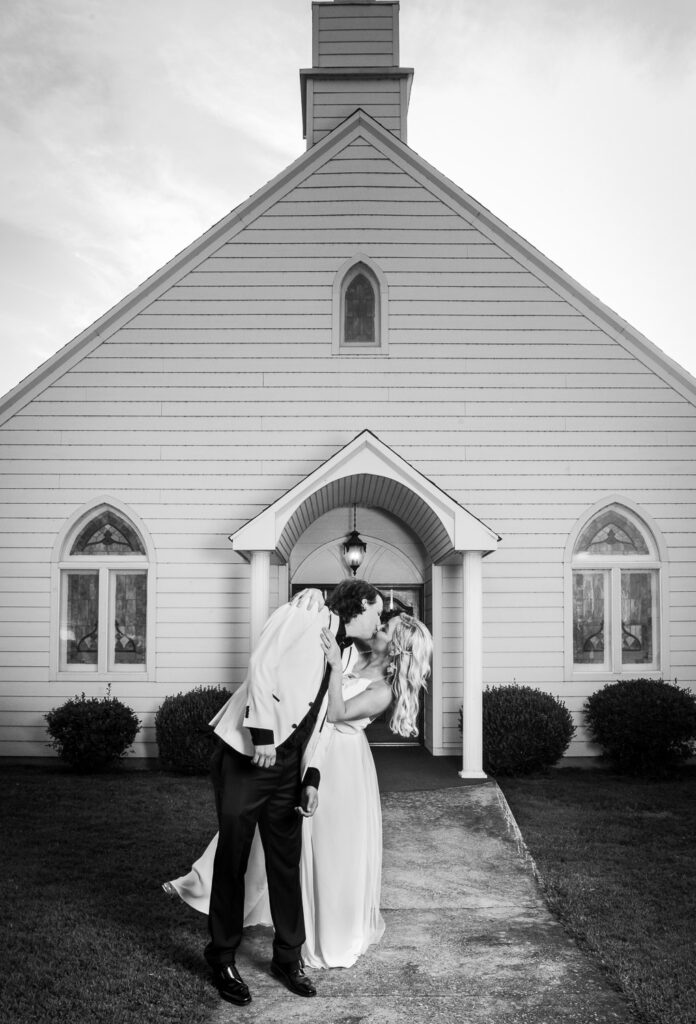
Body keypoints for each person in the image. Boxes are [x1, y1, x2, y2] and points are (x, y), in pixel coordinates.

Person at [165, 608, 433, 973]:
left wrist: (337, 669)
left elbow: (336, 713)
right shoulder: (354, 652)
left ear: (397, 647)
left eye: (386, 628)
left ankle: (322, 936)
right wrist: (313, 603)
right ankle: (201, 882)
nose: (379, 625)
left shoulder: (382, 690)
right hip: (306, 752)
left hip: (340, 766)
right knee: (268, 842)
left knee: (325, 851)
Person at [197, 578, 383, 1006]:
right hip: (248, 757)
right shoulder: (303, 612)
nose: (379, 620)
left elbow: (321, 720)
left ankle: (287, 956)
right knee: (234, 859)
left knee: (286, 864)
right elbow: (263, 664)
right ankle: (221, 955)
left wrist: (311, 776)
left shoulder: (347, 652)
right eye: (377, 610)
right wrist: (261, 733)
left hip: (289, 772)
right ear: (362, 602)